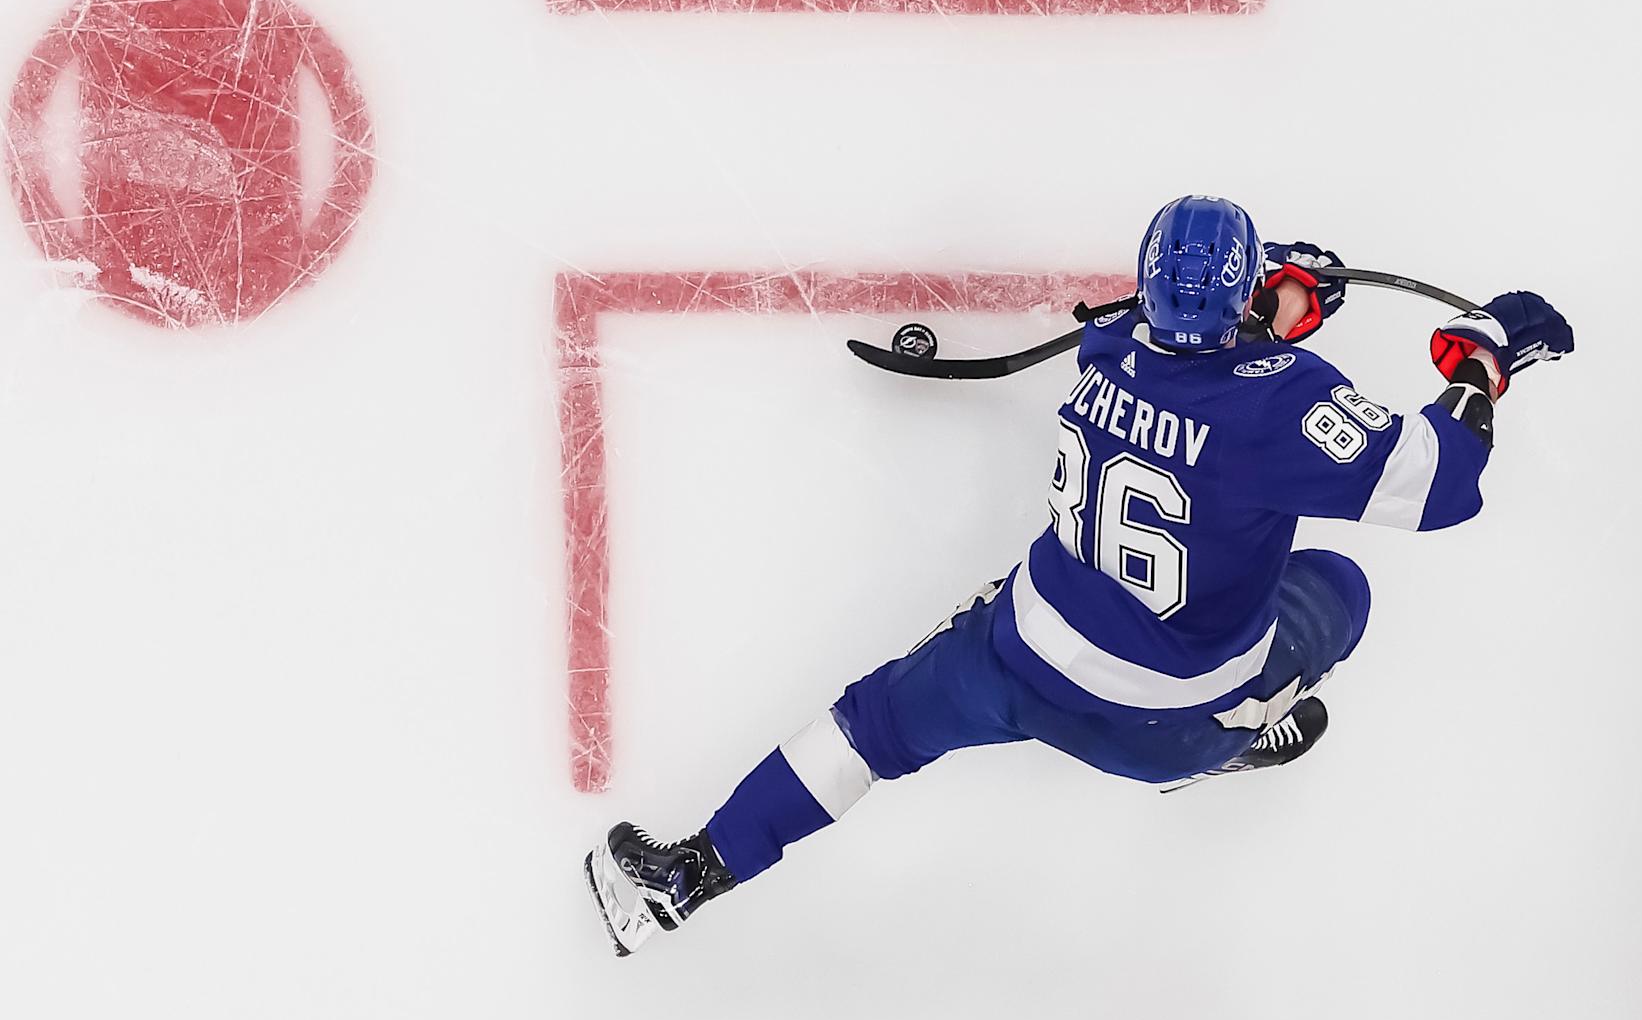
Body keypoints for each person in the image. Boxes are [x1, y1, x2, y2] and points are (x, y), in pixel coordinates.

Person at [585, 196, 1575, 956]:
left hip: (1020, 660)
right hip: (1165, 729)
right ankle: (1226, 745)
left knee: (870, 727)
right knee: (1341, 589)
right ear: (1242, 302)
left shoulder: (1108, 345)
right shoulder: (1286, 406)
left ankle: (689, 878)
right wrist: (1480, 363)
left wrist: (1277, 305)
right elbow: (1439, 484)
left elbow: (1204, 364)